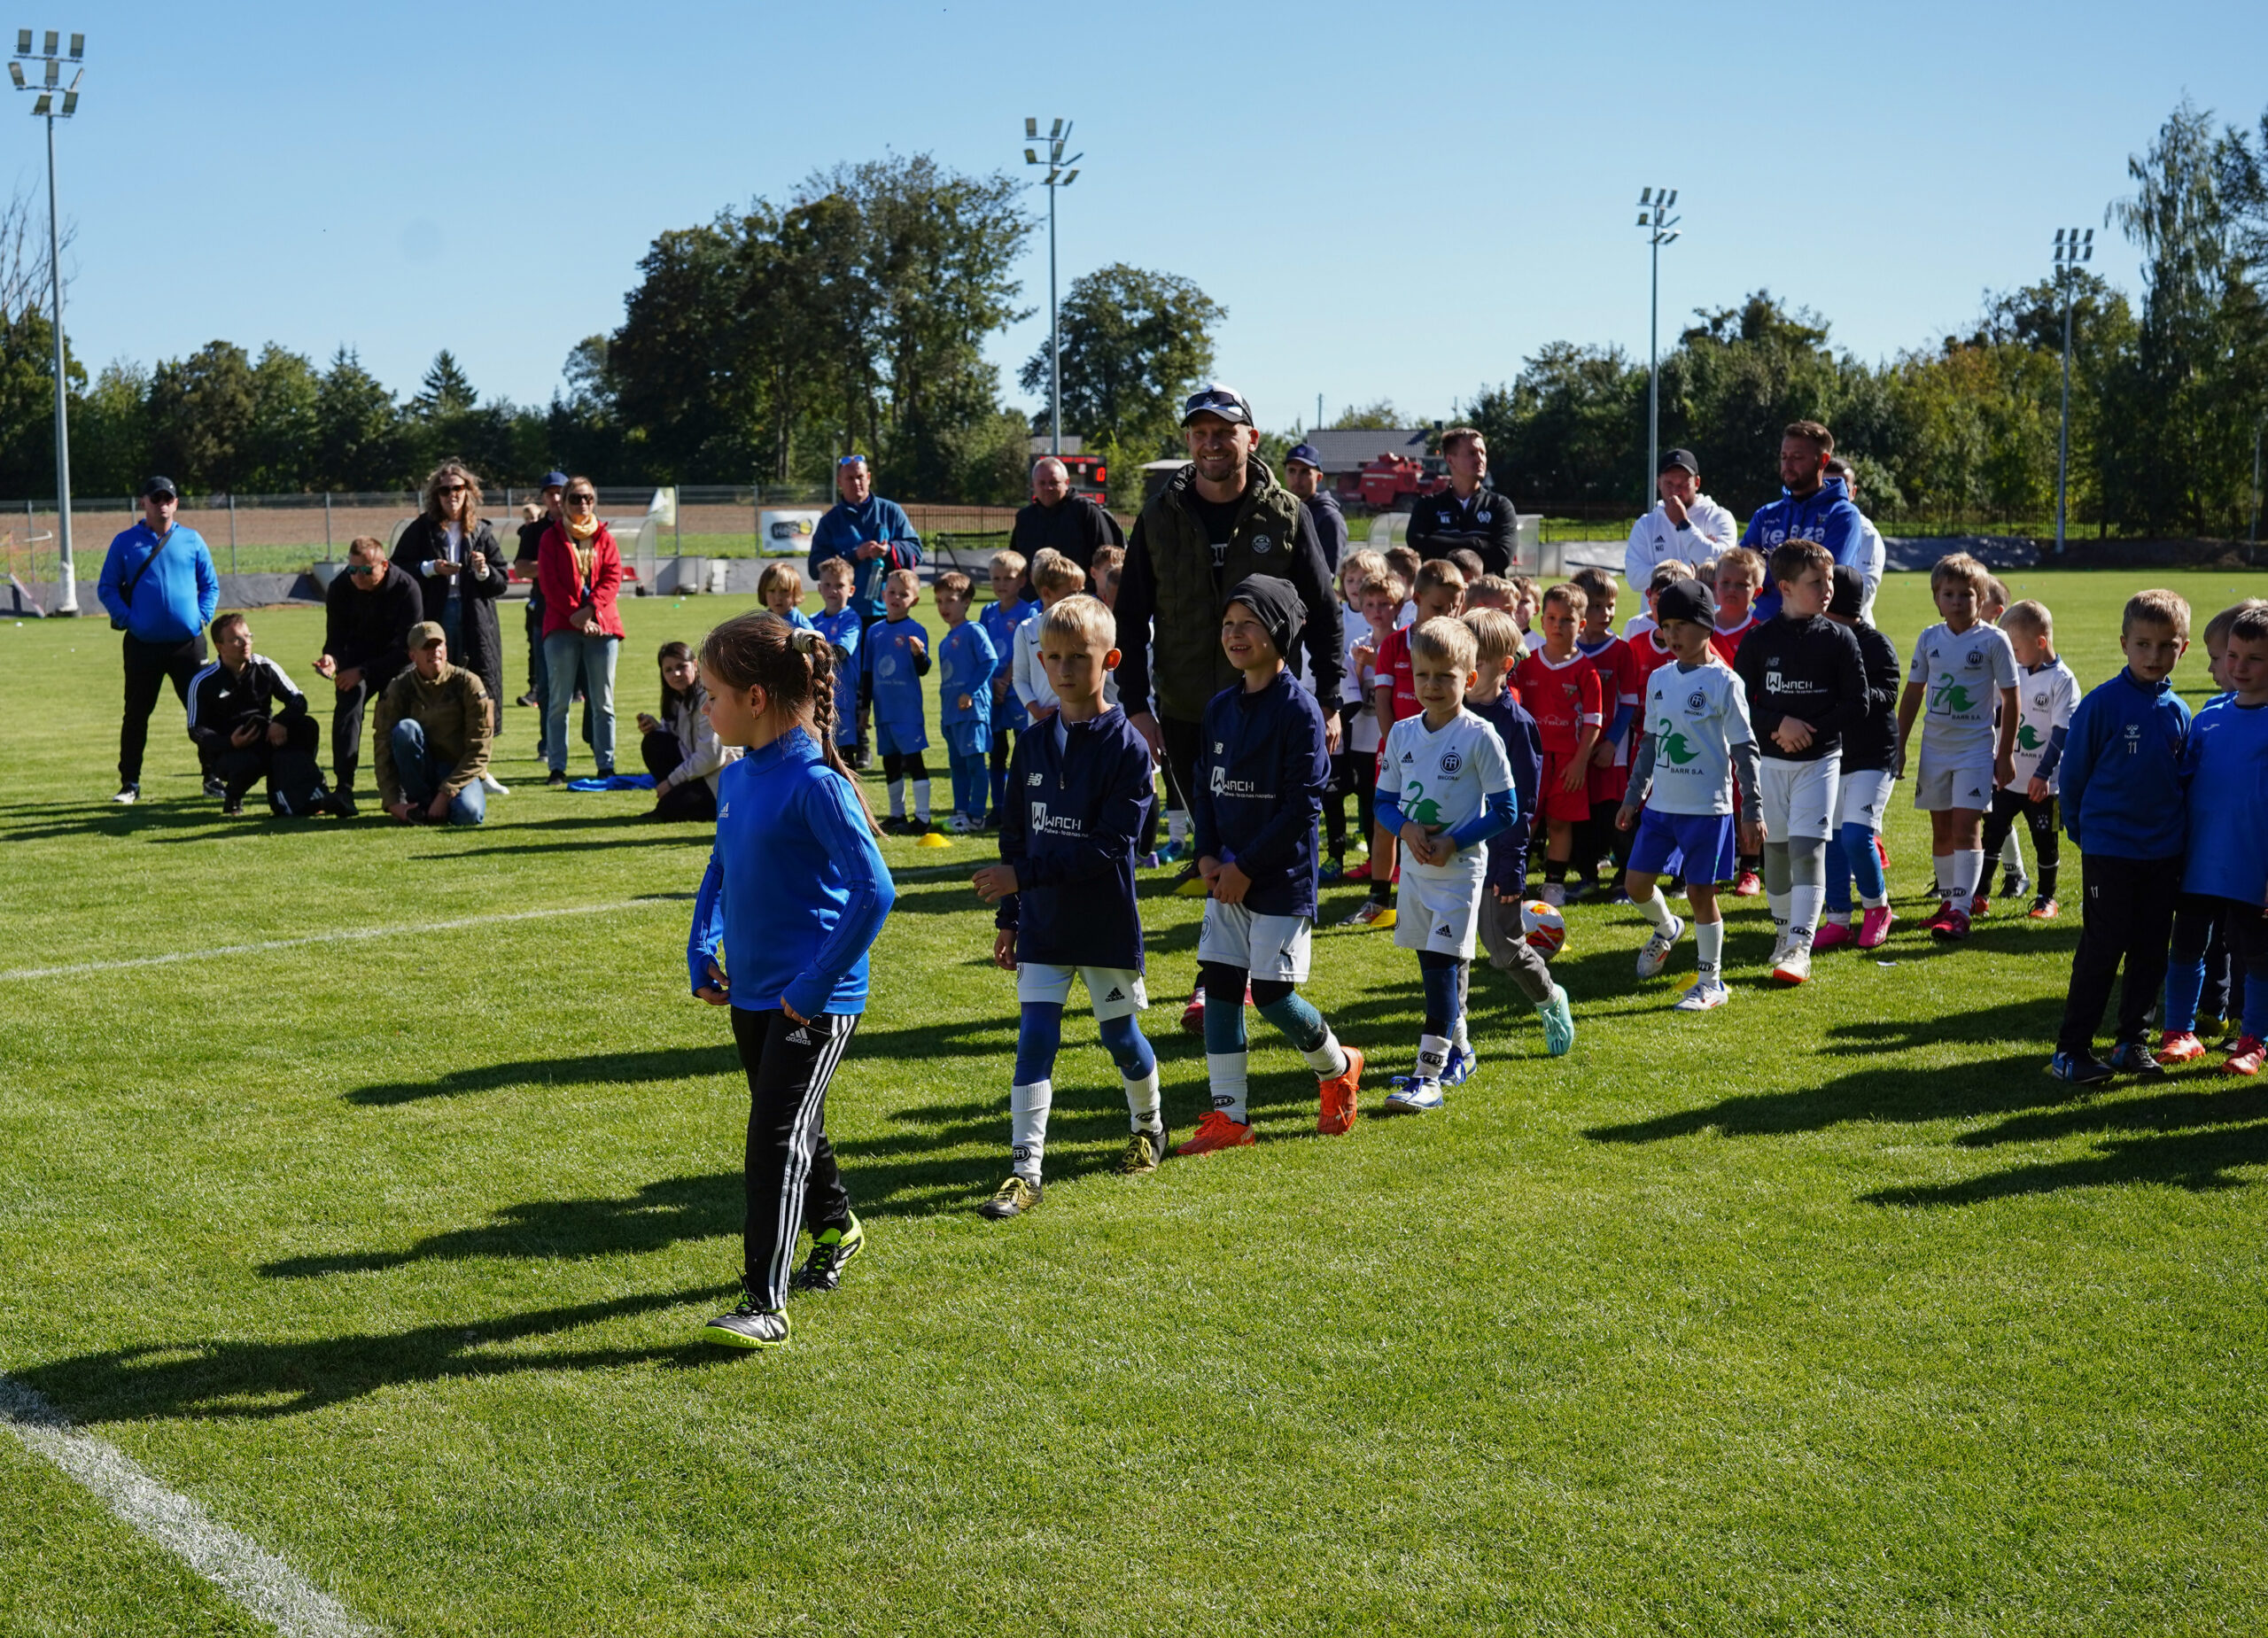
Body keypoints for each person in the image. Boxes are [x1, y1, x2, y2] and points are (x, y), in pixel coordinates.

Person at [688, 615, 896, 1349]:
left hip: (813, 1000)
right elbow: (721, 867)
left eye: (712, 693)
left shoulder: (817, 784)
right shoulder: (739, 775)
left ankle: (765, 1303)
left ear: (755, 697)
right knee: (792, 1120)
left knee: (773, 1138)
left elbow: (875, 891)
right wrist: (702, 944)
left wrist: (814, 984)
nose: (704, 706)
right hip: (751, 989)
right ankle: (837, 1224)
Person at [1111, 383, 1346, 904]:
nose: (1211, 443)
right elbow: (1128, 618)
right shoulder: (1158, 517)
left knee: (1269, 833)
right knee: (1212, 839)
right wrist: (1136, 706)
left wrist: (1329, 698)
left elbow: (1324, 611)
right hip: (1186, 708)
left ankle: (1272, 940)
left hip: (1270, 709)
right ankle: (1220, 949)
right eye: (1200, 433)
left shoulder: (1287, 515)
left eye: (1223, 432)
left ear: (1252, 439)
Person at [969, 594, 1165, 1215]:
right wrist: (1010, 917)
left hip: (1104, 922)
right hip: (1044, 923)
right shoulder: (1030, 743)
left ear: (1110, 660)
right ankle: (1024, 1171)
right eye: (1051, 657)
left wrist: (1020, 877)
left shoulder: (1129, 748)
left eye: (1078, 657)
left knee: (1121, 1038)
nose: (1063, 669)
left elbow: (1109, 848)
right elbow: (1016, 834)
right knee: (1035, 1038)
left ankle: (1149, 1127)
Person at [1177, 576, 1365, 1153]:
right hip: (1225, 877)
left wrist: (1247, 867)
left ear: (1280, 632)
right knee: (1221, 986)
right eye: (1228, 625)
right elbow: (1204, 788)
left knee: (1273, 995)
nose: (1234, 634)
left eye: (1249, 624)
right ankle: (1230, 1118)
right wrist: (1208, 855)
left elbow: (1301, 806)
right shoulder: (1219, 707)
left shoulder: (1300, 711)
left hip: (1279, 879)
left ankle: (1338, 1068)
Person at [1373, 617, 1518, 1111]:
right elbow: (1383, 803)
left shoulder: (1481, 736)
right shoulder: (1401, 733)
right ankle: (1462, 1053)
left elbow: (1507, 811)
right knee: (1431, 969)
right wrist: (1406, 830)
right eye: (1422, 675)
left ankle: (1428, 1078)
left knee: (1440, 970)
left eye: (1445, 676)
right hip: (1415, 875)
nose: (1431, 686)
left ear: (1470, 679)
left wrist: (1455, 842)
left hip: (1459, 875)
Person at [2047, 589, 2192, 1084]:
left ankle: (2132, 1042)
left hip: (2163, 854)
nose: (2154, 656)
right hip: (2109, 851)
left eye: (2166, 645)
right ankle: (2071, 1051)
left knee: (2151, 949)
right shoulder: (2102, 704)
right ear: (2124, 643)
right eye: (2143, 644)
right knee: (2104, 947)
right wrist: (2086, 834)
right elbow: (2074, 777)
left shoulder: (2178, 711)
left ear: (2183, 648)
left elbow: (2180, 782)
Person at [1619, 579, 1763, 1013]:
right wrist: (1633, 796)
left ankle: (1710, 982)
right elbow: (1649, 743)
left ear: (1706, 626)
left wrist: (1752, 808)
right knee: (1635, 885)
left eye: (1681, 625)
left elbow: (1745, 749)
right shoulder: (1659, 679)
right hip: (1660, 808)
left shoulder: (1724, 682)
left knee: (1701, 894)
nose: (1672, 635)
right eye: (1666, 626)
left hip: (1706, 811)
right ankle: (1667, 928)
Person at [1732, 540, 1867, 983]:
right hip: (1769, 764)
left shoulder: (1840, 638)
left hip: (1820, 761)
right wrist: (1778, 724)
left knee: (1808, 849)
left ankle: (1799, 948)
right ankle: (1782, 934)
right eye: (1816, 582)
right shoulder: (1758, 640)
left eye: (1829, 580)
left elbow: (1858, 704)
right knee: (1775, 851)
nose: (1827, 589)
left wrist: (1808, 730)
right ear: (1785, 587)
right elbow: (1739, 704)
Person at [2159, 602, 2268, 1075]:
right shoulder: (2209, 715)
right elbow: (2183, 784)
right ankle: (2179, 1032)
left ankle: (2254, 1040)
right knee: (2187, 944)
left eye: (2254, 659)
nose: (2239, 667)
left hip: (2253, 865)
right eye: (2233, 655)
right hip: (2201, 861)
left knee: (2257, 954)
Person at [1461, 606, 1573, 1056]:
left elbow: (1523, 805)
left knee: (1503, 947)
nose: (1465, 671)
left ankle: (1550, 998)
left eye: (1476, 662)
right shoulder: (1449, 712)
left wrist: (1511, 867)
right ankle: (1452, 1040)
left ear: (1505, 666)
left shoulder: (1517, 725)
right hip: (1450, 855)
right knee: (1451, 949)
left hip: (1496, 858)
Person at [1893, 553, 2021, 943]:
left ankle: (1962, 909)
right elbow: (1913, 693)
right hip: (1935, 750)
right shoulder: (1929, 638)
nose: (1957, 601)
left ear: (1981, 599)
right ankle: (1949, 902)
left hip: (1975, 750)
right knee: (1942, 829)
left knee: (1967, 827)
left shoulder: (1994, 640)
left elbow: (2011, 699)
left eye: (1966, 594)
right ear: (1936, 598)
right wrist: (1900, 744)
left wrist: (2005, 754)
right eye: (1948, 594)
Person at [1347, 559, 1467, 927]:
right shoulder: (1395, 644)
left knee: (1440, 819)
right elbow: (1383, 701)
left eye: (1455, 606)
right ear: (1416, 600)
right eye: (1438, 606)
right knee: (1386, 822)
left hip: (1446, 750)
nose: (1448, 614)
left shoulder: (1460, 643)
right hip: (1397, 749)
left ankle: (1433, 895)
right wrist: (1396, 746)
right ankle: (1378, 899)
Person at [97, 476, 220, 804]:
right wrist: (130, 620)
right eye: (156, 498)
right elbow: (107, 588)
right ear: (144, 502)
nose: (162, 504)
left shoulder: (192, 540)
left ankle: (213, 777)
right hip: (142, 645)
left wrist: (201, 618)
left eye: (168, 498)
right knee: (136, 715)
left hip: (188, 644)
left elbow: (210, 585)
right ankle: (130, 784)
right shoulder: (125, 542)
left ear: (176, 503)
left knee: (203, 712)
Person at [392, 462, 509, 776]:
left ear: (468, 492)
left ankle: (479, 769)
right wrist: (431, 568)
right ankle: (437, 764)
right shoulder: (422, 528)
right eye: (444, 490)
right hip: (436, 616)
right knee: (436, 686)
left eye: (458, 488)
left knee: (477, 686)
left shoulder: (481, 530)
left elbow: (501, 581)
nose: (451, 495)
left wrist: (483, 571)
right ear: (436, 495)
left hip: (476, 620)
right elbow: (397, 568)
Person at [1816, 564, 1902, 951]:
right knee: (1832, 839)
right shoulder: (1818, 640)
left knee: (1856, 835)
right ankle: (1837, 919)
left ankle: (1877, 908)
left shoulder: (1876, 644)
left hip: (1873, 755)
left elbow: (1887, 695)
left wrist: (1850, 697)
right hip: (1833, 756)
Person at [1976, 600, 2077, 920]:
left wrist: (2044, 774)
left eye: (2016, 649)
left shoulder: (2062, 680)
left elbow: (2062, 732)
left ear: (2041, 642)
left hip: (2044, 785)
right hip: (2005, 778)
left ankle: (2046, 898)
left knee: (2045, 841)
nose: (2012, 656)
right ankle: (1980, 896)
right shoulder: (2012, 673)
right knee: (1992, 834)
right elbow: (1994, 712)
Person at [312, 534, 420, 819]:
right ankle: (344, 789)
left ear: (384, 565)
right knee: (348, 705)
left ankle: (401, 790)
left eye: (365, 570)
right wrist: (331, 660)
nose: (358, 576)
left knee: (395, 716)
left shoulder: (407, 588)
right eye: (352, 569)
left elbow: (407, 650)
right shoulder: (340, 587)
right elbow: (335, 638)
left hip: (397, 662)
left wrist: (364, 671)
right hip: (355, 662)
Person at [1512, 584, 1604, 907]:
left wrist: (1580, 761)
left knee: (1560, 823)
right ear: (1542, 621)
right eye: (1551, 618)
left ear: (1581, 624)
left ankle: (1554, 884)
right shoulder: (1526, 665)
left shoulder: (1586, 671)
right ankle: (1514, 877)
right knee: (1526, 819)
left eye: (1567, 619)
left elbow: (1593, 721)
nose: (1557, 625)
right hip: (1531, 759)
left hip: (1568, 761)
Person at [185, 611, 326, 817]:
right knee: (248, 763)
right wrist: (230, 742)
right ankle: (234, 796)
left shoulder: (265, 667)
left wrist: (280, 722)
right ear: (219, 646)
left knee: (306, 726)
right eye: (236, 639)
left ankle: (291, 789)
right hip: (228, 751)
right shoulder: (203, 681)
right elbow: (195, 728)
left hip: (266, 737)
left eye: (248, 636)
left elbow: (298, 700)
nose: (245, 643)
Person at [535, 476, 625, 786]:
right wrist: (577, 614)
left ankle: (606, 765)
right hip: (562, 626)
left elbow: (613, 577)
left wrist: (590, 610)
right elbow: (549, 583)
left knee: (603, 702)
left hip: (603, 626)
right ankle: (557, 767)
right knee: (559, 701)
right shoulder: (550, 538)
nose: (583, 504)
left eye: (588, 498)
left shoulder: (605, 537)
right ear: (563, 503)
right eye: (575, 498)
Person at [1738, 421, 1871, 622]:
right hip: (1762, 627)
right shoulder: (1765, 515)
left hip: (1814, 631)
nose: (1788, 464)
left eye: (1797, 457)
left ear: (1823, 461)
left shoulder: (1843, 515)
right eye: (1784, 457)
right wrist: (1800, 571)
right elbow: (1742, 574)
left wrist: (1766, 563)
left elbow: (1823, 578)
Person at [374, 623, 493, 827]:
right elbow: (383, 745)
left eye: (439, 645)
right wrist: (392, 803)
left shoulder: (468, 684)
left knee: (469, 814)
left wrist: (446, 792)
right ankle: (421, 804)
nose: (435, 651)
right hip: (421, 772)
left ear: (446, 648)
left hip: (458, 771)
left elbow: (480, 750)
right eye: (427, 647)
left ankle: (433, 810)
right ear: (413, 655)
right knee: (405, 730)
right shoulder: (400, 687)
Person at [1572, 566, 1640, 900]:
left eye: (1610, 605)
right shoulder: (1568, 649)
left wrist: (1612, 742)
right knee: (1580, 816)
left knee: (1616, 815)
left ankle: (1625, 878)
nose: (1606, 613)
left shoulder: (1621, 650)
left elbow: (1629, 703)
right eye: (1596, 606)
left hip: (1612, 753)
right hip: (1576, 752)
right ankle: (1587, 876)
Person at [808, 454, 922, 628]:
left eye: (860, 477)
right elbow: (815, 567)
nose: (856, 483)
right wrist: (854, 556)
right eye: (850, 478)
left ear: (868, 478)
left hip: (889, 613)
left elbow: (916, 551)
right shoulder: (830, 522)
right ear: (839, 482)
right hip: (845, 615)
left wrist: (888, 551)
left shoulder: (891, 512)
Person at [636, 640, 741, 823]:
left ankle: (705, 802)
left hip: (720, 778)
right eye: (668, 670)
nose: (675, 674)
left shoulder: (708, 697)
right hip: (701, 771)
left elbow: (712, 757)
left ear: (694, 665)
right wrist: (657, 728)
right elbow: (683, 741)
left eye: (681, 667)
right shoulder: (679, 699)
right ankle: (678, 796)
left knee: (669, 808)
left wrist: (671, 782)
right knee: (654, 742)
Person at [862, 567, 933, 833]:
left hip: (907, 712)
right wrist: (864, 709)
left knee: (914, 761)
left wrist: (919, 654)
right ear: (883, 594)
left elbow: (923, 669)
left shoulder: (916, 630)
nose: (896, 597)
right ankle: (897, 814)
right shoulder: (874, 632)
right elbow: (867, 673)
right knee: (890, 762)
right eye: (892, 592)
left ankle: (923, 817)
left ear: (914, 600)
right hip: (884, 712)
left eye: (903, 594)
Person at [932, 571, 1001, 833]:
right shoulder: (944, 642)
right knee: (957, 766)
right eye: (939, 601)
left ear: (966, 601)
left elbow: (990, 661)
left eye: (950, 600)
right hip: (952, 715)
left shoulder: (973, 630)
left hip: (972, 712)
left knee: (975, 764)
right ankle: (960, 813)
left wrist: (970, 692)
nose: (944, 607)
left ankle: (976, 816)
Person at [1406, 425, 1518, 575]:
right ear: (1450, 460)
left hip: (1485, 590)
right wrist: (1476, 544)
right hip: (1442, 589)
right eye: (1472, 453)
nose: (1480, 459)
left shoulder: (1499, 505)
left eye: (1483, 453)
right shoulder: (1428, 506)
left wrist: (1440, 543)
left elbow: (1502, 555)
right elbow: (1418, 546)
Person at [1623, 449, 1737, 595]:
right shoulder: (1645, 525)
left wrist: (1683, 524)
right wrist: (1692, 563)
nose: (1675, 491)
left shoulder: (1719, 517)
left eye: (1683, 484)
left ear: (1697, 482)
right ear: (1659, 483)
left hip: (1705, 610)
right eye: (1669, 484)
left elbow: (1724, 567)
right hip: (1659, 611)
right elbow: (1635, 579)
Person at [980, 550, 1040, 817]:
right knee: (996, 752)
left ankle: (1021, 807)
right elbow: (982, 650)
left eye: (1008, 578)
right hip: (993, 693)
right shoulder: (987, 612)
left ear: (1022, 581)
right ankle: (998, 807)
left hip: (1018, 693)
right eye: (996, 578)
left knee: (1022, 750)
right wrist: (992, 683)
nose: (1001, 583)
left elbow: (1024, 650)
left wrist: (1006, 680)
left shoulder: (1029, 611)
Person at [513, 472, 566, 746]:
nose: (555, 498)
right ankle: (548, 744)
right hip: (545, 615)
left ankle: (596, 744)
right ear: (543, 498)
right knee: (545, 685)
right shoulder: (535, 531)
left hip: (583, 617)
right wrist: (554, 563)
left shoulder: (583, 527)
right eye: (550, 493)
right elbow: (521, 568)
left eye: (559, 492)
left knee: (593, 691)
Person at [1007, 456, 1123, 579]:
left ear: (1066, 483)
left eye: (1054, 482)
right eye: (1042, 483)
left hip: (1079, 590)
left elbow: (1107, 561)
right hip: (1034, 591)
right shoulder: (1025, 518)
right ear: (1033, 485)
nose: (1048, 488)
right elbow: (1016, 563)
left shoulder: (1086, 511)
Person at [1011, 550, 1087, 731]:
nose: (1079, 599)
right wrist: (1036, 710)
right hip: (1041, 725)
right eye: (1072, 593)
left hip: (1080, 721)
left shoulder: (1085, 627)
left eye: (1081, 592)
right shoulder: (1026, 630)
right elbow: (1020, 679)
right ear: (1046, 592)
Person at [812, 557, 865, 765]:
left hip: (842, 699)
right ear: (819, 588)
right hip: (817, 701)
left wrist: (812, 652)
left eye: (839, 585)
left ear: (851, 590)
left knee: (844, 759)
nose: (833, 590)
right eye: (827, 585)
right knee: (820, 756)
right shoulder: (812, 620)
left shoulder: (851, 619)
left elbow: (840, 652)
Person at [1823, 457, 1886, 625]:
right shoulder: (1808, 523)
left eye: (1841, 488)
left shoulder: (1867, 534)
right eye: (1826, 486)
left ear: (1853, 492)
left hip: (1851, 631)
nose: (1834, 493)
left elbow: (1863, 592)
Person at [1283, 442, 1348, 572]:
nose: (1297, 478)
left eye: (1305, 472)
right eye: (1292, 471)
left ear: (1319, 477)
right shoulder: (1280, 510)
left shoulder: (1329, 518)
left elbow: (1328, 573)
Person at [758, 562, 818, 632]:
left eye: (784, 591)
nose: (778, 597)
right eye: (772, 591)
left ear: (795, 592)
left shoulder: (803, 628)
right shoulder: (759, 622)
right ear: (764, 592)